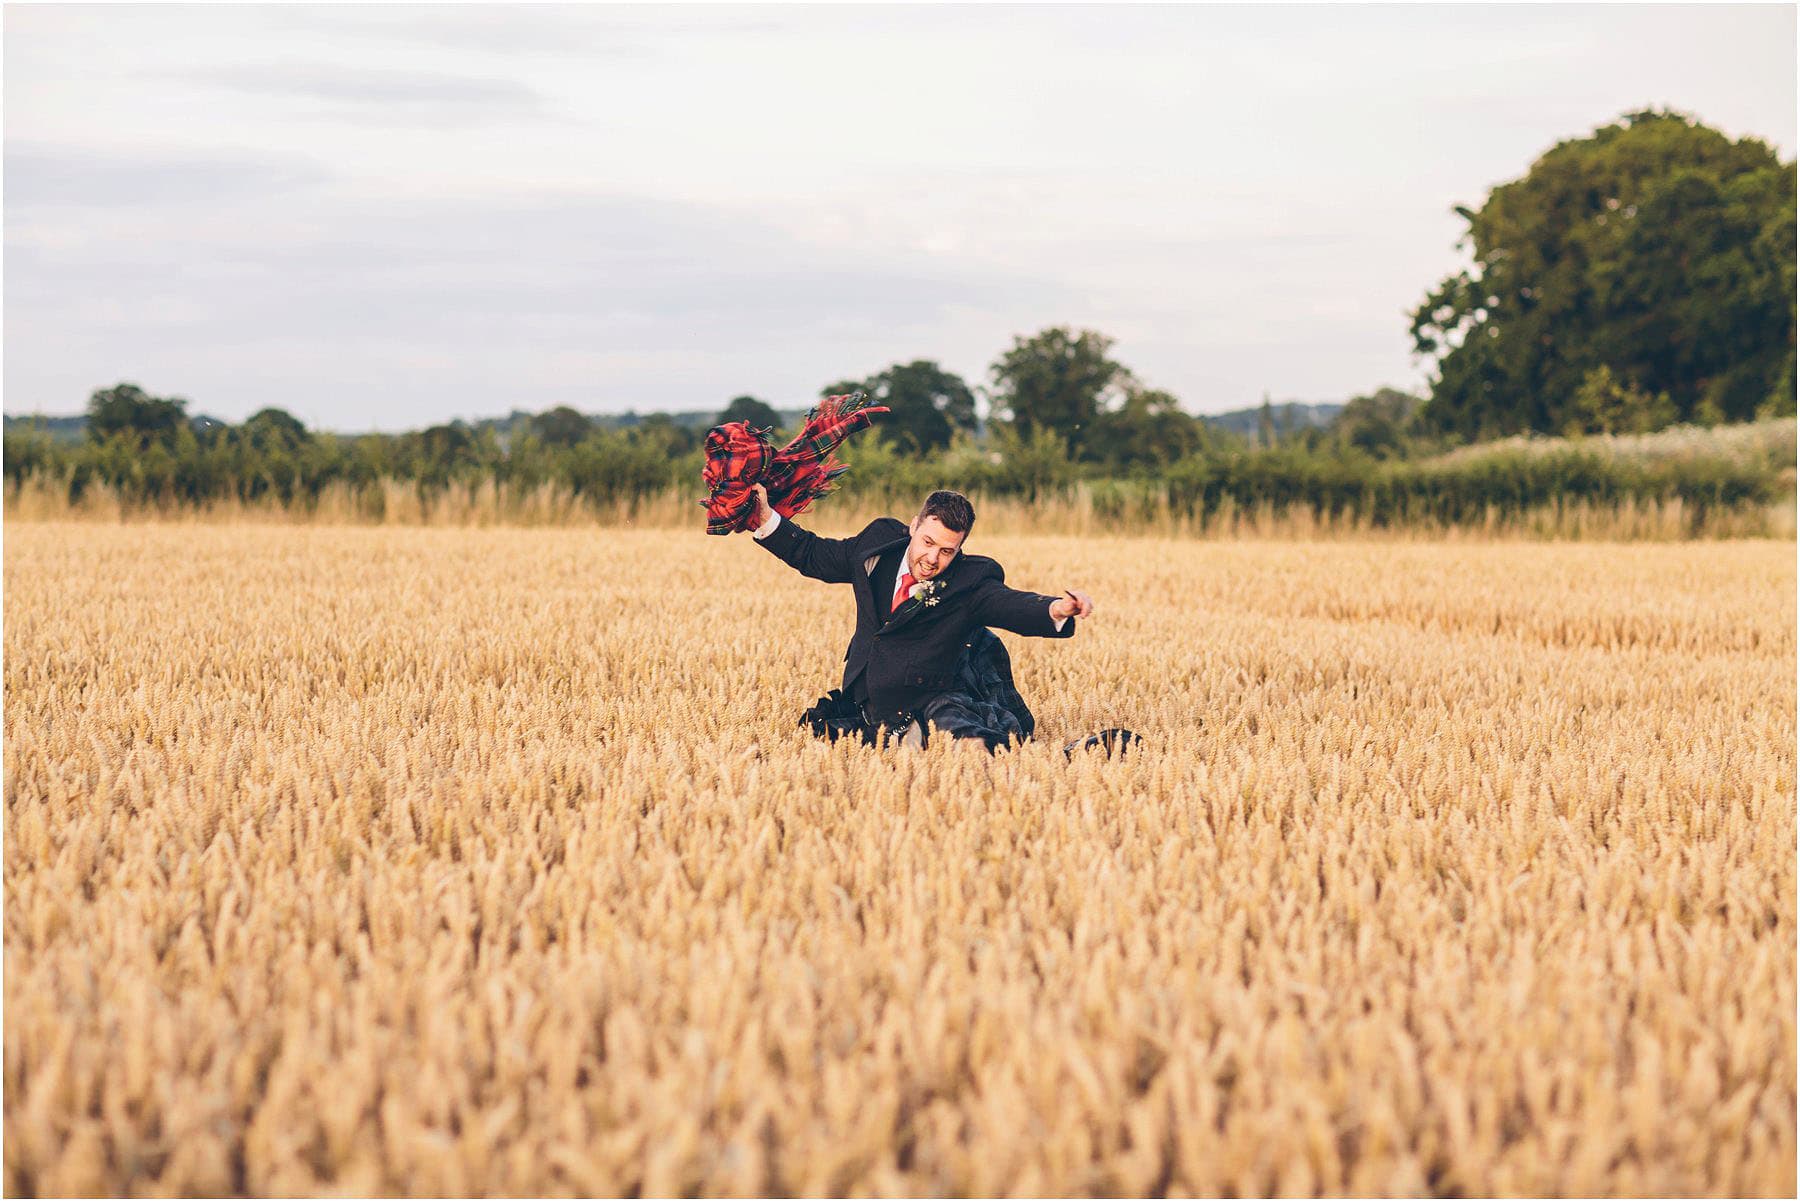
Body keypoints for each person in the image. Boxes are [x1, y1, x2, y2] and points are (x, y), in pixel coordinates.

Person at [740, 484, 1094, 749]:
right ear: (913, 526)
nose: (932, 558)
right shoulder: (876, 545)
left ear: (960, 547)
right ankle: (906, 735)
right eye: (927, 542)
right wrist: (765, 519)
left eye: (946, 551)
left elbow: (1008, 604)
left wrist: (1055, 609)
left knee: (969, 749)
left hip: (936, 694)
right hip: (872, 695)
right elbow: (814, 554)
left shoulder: (970, 581)